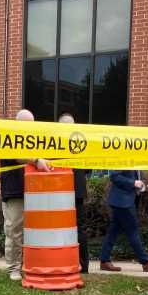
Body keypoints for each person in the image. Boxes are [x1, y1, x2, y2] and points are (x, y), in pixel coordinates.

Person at [0, 109, 50, 281]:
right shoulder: (8, 138)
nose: (30, 128)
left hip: (33, 192)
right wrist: (36, 160)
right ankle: (14, 268)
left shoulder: (33, 141)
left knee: (32, 232)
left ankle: (29, 265)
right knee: (14, 231)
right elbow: (17, 156)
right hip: (14, 192)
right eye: (27, 124)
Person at [99, 170, 148, 273]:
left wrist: (146, 187)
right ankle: (146, 262)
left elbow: (136, 180)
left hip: (123, 201)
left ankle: (104, 261)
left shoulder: (136, 162)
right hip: (123, 202)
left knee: (113, 232)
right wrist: (133, 183)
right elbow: (114, 176)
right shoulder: (124, 160)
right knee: (132, 231)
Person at [59, 113, 89, 273]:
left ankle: (65, 261)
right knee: (80, 228)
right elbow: (88, 168)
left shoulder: (55, 143)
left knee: (62, 228)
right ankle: (83, 265)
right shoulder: (81, 142)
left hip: (60, 191)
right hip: (77, 191)